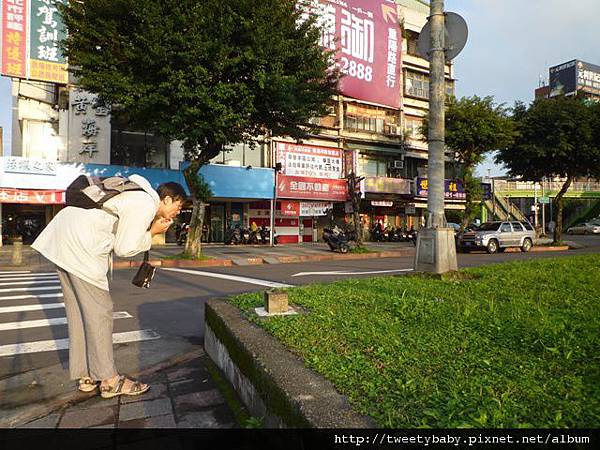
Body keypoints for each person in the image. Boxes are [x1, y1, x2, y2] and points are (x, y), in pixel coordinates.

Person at [32, 176, 186, 399]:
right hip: (82, 246)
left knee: (79, 313)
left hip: (63, 238)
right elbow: (125, 247)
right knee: (99, 313)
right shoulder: (145, 202)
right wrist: (152, 233)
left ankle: (87, 376)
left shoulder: (132, 193)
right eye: (178, 207)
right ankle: (109, 380)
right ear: (168, 199)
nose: (177, 213)